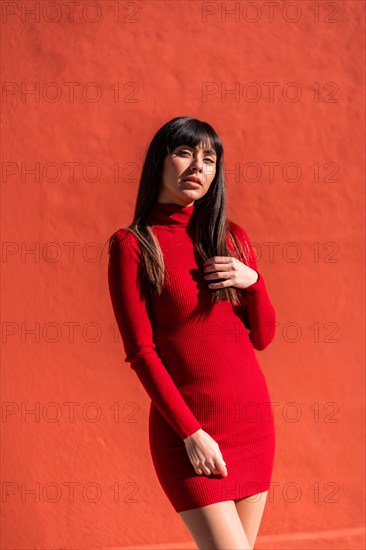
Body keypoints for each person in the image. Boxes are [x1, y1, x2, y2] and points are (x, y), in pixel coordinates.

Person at [107, 116, 276, 549]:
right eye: (184, 153)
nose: (197, 168)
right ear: (158, 162)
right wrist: (191, 434)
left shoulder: (232, 239)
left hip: (252, 426)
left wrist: (253, 283)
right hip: (189, 433)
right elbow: (141, 352)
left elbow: (263, 337)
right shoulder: (134, 245)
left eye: (209, 159)